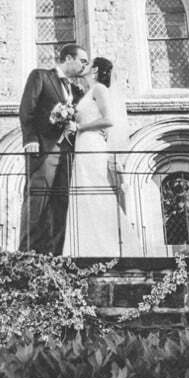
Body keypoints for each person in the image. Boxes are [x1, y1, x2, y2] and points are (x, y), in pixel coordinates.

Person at [18, 44, 89, 254]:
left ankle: (54, 252)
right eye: (82, 61)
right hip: (44, 148)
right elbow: (27, 109)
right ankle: (28, 252)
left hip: (68, 151)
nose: (84, 65)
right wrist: (30, 139)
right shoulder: (40, 76)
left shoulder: (76, 90)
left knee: (61, 200)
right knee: (37, 197)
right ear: (68, 58)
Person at [63, 57, 132, 257]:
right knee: (84, 189)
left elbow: (108, 120)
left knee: (94, 187)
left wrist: (79, 127)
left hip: (91, 143)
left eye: (89, 64)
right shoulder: (89, 92)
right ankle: (86, 245)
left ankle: (107, 245)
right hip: (83, 143)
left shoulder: (100, 89)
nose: (84, 67)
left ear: (95, 70)